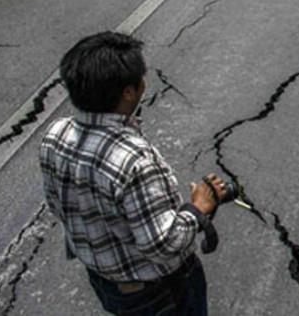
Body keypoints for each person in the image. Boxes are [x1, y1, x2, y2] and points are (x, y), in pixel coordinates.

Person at [40, 32, 230, 316]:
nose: (145, 81)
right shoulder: (133, 160)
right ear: (128, 92)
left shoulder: (56, 134)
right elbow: (163, 244)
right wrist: (198, 208)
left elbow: (58, 205)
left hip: (107, 283)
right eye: (141, 76)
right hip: (158, 290)